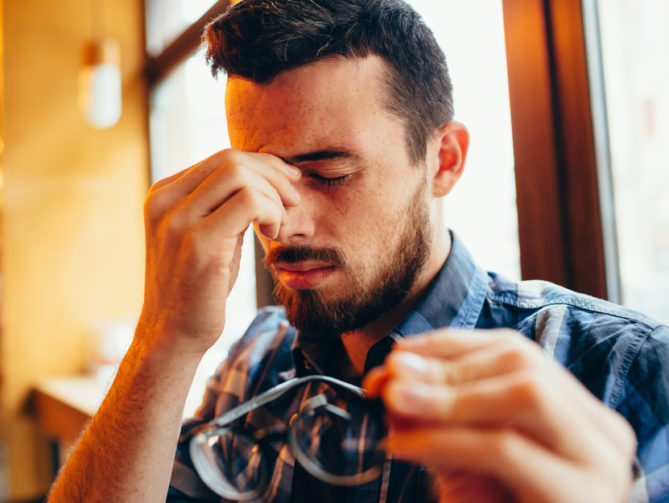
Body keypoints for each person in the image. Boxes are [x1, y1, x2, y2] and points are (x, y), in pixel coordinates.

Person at [49, 0, 669, 501]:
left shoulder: (622, 370)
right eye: (261, 180)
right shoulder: (253, 362)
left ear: (443, 161)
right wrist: (163, 341)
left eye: (330, 174)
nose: (281, 225)